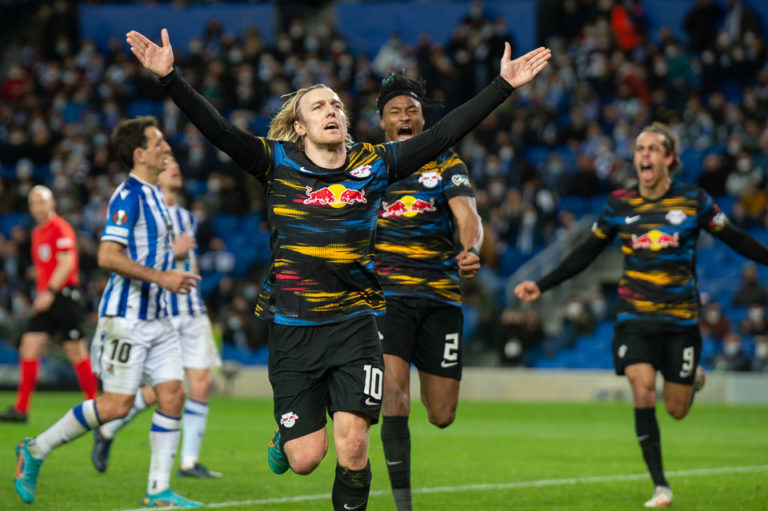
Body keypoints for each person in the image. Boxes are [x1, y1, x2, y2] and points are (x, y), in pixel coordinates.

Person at [126, 27, 549, 511]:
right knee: (306, 458)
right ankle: (287, 435)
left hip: (355, 325)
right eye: (318, 106)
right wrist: (171, 79)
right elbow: (219, 130)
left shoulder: (374, 164)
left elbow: (444, 134)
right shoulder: (275, 161)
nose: (331, 110)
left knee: (353, 446)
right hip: (293, 327)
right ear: (299, 126)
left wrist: (502, 86)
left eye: (336, 105)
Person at [514, 121, 768, 508]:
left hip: (681, 321)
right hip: (634, 317)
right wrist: (542, 284)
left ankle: (692, 377)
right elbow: (586, 252)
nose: (644, 155)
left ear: (670, 159)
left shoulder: (694, 200)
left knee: (677, 410)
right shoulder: (620, 204)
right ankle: (661, 486)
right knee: (643, 388)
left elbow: (734, 237)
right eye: (639, 149)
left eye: (653, 149)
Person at [14, 117, 202, 508]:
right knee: (116, 405)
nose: (167, 148)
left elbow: (149, 252)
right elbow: (107, 256)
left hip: (159, 316)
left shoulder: (155, 195)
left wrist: (170, 265)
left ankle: (157, 490)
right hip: (127, 317)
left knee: (173, 394)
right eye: (158, 143)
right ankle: (35, 449)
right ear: (140, 154)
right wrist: (162, 277)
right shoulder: (128, 196)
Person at [372, 73, 482, 511]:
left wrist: (470, 248)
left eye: (412, 111)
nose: (405, 117)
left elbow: (468, 215)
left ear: (422, 120)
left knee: (441, 415)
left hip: (439, 298)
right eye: (395, 112)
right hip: (388, 297)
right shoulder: (371, 167)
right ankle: (404, 506)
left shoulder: (446, 163)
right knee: (393, 395)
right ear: (382, 122)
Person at [90, 154, 223, 479]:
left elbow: (190, 264)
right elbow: (129, 259)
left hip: (191, 308)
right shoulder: (148, 213)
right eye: (167, 164)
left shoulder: (188, 218)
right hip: (162, 309)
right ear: (155, 174)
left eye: (177, 164)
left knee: (201, 381)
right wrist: (173, 251)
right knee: (160, 390)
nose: (175, 168)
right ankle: (108, 429)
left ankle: (188, 462)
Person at [0, 186, 98, 423]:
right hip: (47, 297)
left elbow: (67, 263)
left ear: (52, 203)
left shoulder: (61, 228)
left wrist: (49, 291)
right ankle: (21, 408)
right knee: (28, 346)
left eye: (42, 202)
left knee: (76, 352)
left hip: (64, 296)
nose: (39, 207)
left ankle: (95, 407)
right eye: (34, 203)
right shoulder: (37, 232)